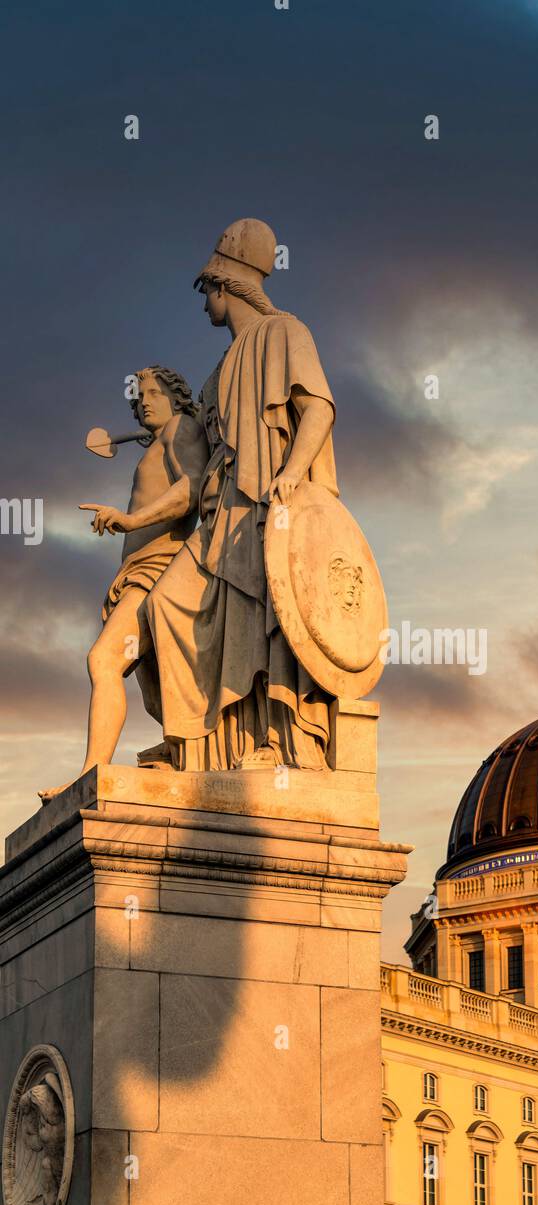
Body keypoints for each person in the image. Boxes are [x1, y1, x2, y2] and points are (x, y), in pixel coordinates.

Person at [143, 219, 338, 771]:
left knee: (269, 615)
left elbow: (317, 407)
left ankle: (277, 740)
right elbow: (194, 468)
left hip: (268, 508)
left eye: (207, 288)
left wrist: (294, 472)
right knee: (165, 605)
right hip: (220, 517)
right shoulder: (214, 376)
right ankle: (193, 740)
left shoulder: (285, 334)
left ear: (226, 285)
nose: (204, 300)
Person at [38, 367, 207, 801]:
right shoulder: (158, 444)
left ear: (177, 397)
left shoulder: (182, 429)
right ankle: (184, 753)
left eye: (154, 392)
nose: (145, 401)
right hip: (138, 571)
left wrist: (131, 519)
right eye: (139, 398)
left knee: (104, 660)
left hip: (160, 569)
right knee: (156, 694)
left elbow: (190, 490)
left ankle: (94, 771)